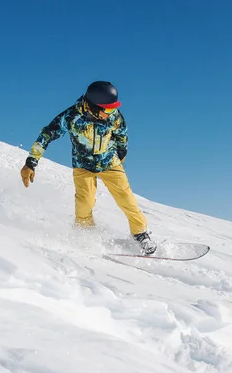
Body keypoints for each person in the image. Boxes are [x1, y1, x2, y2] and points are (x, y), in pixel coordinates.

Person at [19, 81, 157, 255]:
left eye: (112, 108)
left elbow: (122, 135)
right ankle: (86, 236)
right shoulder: (71, 116)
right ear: (93, 106)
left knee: (126, 198)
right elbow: (47, 134)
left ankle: (140, 234)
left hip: (109, 163)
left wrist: (121, 153)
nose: (110, 113)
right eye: (106, 109)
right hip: (83, 166)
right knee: (84, 203)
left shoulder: (114, 116)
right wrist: (31, 162)